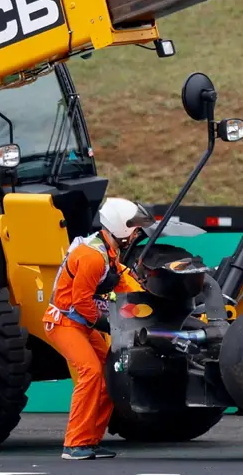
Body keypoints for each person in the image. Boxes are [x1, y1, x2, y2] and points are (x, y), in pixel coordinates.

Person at [42, 197, 154, 460]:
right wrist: (106, 323)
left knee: (109, 375)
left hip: (81, 323)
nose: (137, 232)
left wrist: (147, 301)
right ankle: (74, 444)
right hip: (64, 323)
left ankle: (89, 442)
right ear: (120, 227)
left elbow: (122, 279)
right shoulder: (93, 257)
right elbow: (81, 302)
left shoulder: (108, 251)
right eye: (135, 227)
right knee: (91, 372)